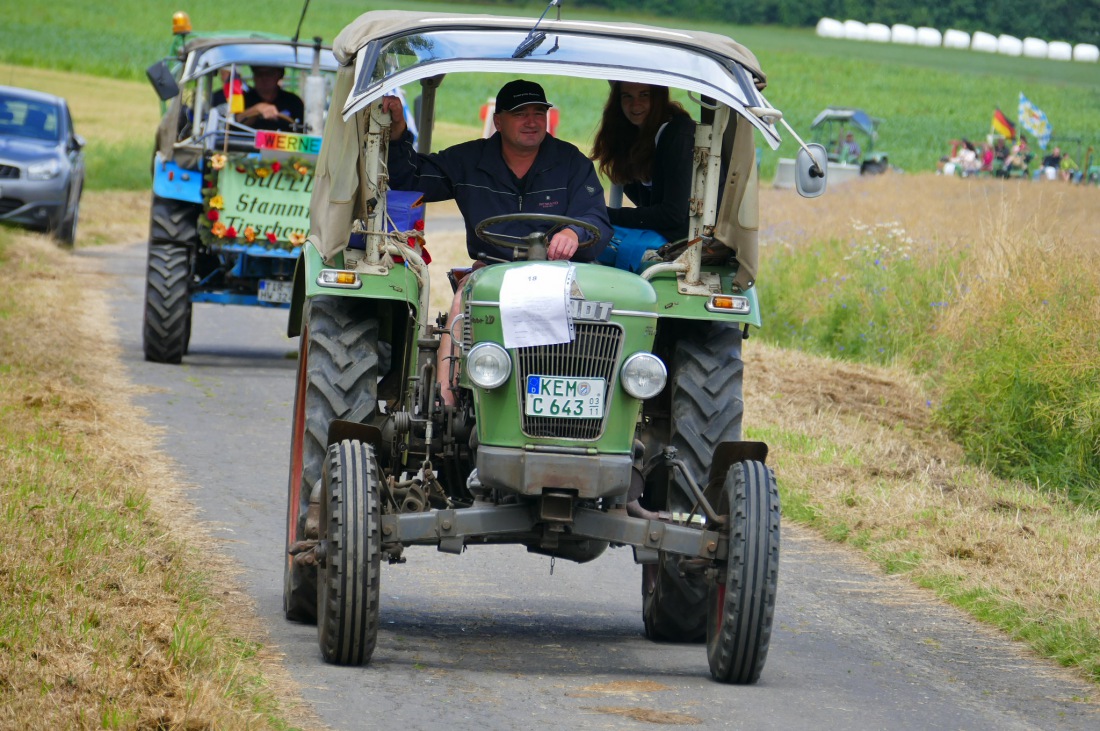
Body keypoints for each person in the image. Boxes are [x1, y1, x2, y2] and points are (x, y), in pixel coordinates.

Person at [383, 78, 612, 405]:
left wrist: (574, 233)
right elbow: (411, 177)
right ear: (498, 121)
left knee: (601, 310)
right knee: (465, 297)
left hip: (561, 273)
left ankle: (586, 400)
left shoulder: (572, 163)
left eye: (538, 113)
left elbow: (596, 218)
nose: (532, 121)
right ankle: (446, 401)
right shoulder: (469, 160)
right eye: (520, 114)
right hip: (493, 271)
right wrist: (397, 135)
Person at [589, 81, 695, 272]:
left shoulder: (679, 134)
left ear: (659, 98)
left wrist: (605, 214)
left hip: (681, 238)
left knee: (589, 234)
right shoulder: (634, 136)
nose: (635, 104)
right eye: (627, 96)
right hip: (663, 231)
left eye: (644, 95)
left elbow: (672, 215)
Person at [236, 66, 303, 132]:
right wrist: (257, 109)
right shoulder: (242, 99)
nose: (264, 78)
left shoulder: (293, 101)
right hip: (248, 141)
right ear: (254, 76)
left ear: (280, 75)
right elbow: (233, 124)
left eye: (269, 73)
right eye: (259, 74)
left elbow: (302, 129)